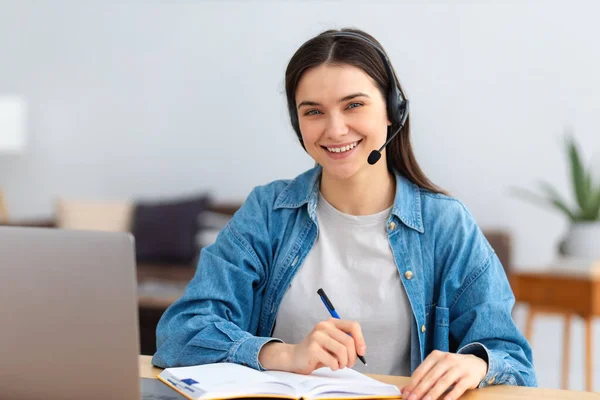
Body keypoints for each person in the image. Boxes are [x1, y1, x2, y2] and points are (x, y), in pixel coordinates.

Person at [152, 28, 537, 400]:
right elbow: (180, 333)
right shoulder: (268, 213)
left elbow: (514, 360)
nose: (335, 130)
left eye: (353, 105)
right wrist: (285, 354)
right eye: (314, 111)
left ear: (392, 110)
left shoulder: (445, 225)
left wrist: (477, 365)